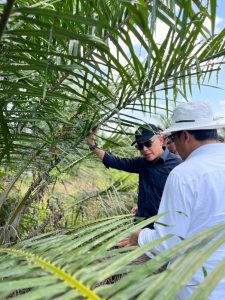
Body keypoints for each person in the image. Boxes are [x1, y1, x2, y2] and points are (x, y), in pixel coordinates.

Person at [129, 102, 225, 299]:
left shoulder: (184, 173)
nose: (172, 145)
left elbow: (170, 243)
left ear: (186, 136)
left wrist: (139, 236)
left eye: (172, 138)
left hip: (198, 286)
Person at [86, 123, 182, 233]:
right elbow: (114, 161)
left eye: (148, 143)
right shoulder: (141, 162)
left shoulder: (177, 164)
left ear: (160, 140)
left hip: (164, 227)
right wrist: (92, 144)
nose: (144, 149)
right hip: (140, 225)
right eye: (140, 146)